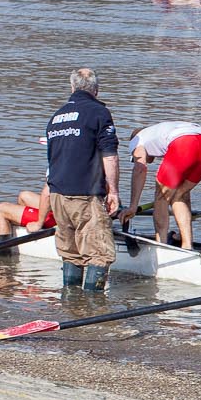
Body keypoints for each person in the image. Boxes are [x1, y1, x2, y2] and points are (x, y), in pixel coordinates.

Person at [43, 68, 120, 291]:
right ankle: (92, 311)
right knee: (99, 254)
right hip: (85, 194)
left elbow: (52, 158)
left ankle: (70, 304)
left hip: (57, 193)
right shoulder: (98, 113)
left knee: (71, 252)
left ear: (72, 87)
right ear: (96, 89)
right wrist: (113, 191)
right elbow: (110, 155)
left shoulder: (56, 116)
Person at [120, 120, 201, 249]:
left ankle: (161, 245)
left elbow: (140, 167)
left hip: (184, 144)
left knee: (161, 197)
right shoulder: (159, 131)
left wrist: (133, 206)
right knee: (179, 195)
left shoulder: (137, 139)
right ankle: (187, 245)